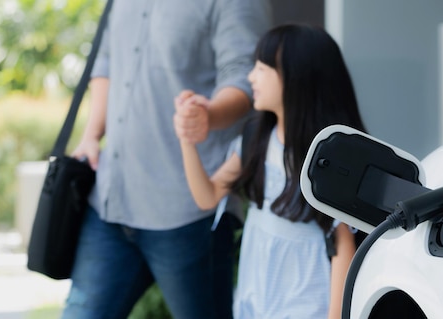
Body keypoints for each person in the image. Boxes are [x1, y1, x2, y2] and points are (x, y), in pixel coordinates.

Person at [61, 1, 272, 318]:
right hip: (109, 202)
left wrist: (208, 116)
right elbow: (106, 62)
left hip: (188, 214)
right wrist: (91, 134)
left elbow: (243, 74)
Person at [173, 24, 365, 319]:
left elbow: (342, 243)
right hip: (256, 297)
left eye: (262, 68)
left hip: (305, 302)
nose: (252, 77)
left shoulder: (331, 160)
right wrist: (187, 139)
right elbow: (207, 196)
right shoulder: (257, 139)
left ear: (297, 77)